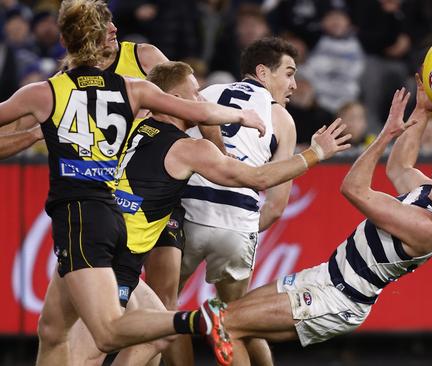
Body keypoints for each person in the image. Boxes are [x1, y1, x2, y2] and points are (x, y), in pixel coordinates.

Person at [0, 1, 267, 365]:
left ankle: (196, 319)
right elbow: (199, 109)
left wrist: (35, 133)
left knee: (107, 331)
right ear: (102, 40)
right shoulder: (133, 88)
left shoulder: (46, 92)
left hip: (81, 217)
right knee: (53, 330)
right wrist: (242, 116)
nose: (114, 27)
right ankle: (182, 320)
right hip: (114, 213)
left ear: (64, 40)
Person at [73, 60, 350, 366]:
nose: (203, 100)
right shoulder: (188, 149)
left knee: (154, 325)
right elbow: (258, 179)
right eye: (195, 94)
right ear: (174, 101)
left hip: (87, 238)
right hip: (118, 253)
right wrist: (315, 153)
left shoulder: (132, 125)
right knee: (101, 343)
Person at [206, 78, 432, 364]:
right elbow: (400, 166)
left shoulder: (428, 226)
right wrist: (422, 110)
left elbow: (353, 188)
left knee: (226, 323)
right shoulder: (429, 195)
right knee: (240, 323)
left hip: (336, 299)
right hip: (325, 279)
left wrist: (386, 133)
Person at [179, 36, 304, 365]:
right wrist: (239, 225)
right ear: (263, 72)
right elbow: (275, 207)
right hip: (238, 222)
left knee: (160, 312)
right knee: (237, 320)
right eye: (289, 73)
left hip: (188, 215)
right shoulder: (281, 119)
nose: (293, 84)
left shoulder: (204, 94)